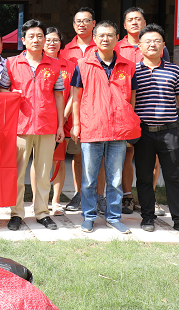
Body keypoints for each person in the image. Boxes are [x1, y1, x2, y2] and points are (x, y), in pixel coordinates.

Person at [132, 24, 179, 238]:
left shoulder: (174, 70)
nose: (152, 44)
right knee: (144, 177)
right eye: (147, 41)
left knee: (173, 177)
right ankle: (147, 216)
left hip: (169, 131)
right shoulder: (133, 71)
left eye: (156, 41)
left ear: (163, 45)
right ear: (139, 46)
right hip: (143, 132)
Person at [71, 20, 140, 234]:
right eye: (101, 35)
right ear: (94, 38)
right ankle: (89, 216)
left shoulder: (128, 65)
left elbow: (132, 97)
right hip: (92, 127)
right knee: (89, 179)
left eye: (110, 35)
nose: (105, 39)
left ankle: (113, 217)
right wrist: (76, 124)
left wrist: (127, 119)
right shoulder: (83, 64)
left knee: (115, 179)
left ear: (117, 38)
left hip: (119, 129)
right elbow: (76, 98)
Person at [0, 20, 65, 231]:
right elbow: (1, 91)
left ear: (45, 39)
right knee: (17, 173)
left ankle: (42, 213)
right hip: (20, 125)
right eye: (31, 36)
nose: (36, 40)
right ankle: (16, 213)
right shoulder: (11, 63)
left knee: (43, 173)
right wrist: (11, 94)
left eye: (39, 36)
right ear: (23, 40)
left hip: (47, 125)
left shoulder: (54, 65)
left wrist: (60, 126)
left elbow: (58, 95)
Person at [114, 7, 170, 215]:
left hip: (152, 109)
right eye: (130, 19)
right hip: (127, 109)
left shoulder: (158, 46)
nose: (134, 22)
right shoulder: (117, 47)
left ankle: (149, 199)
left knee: (153, 157)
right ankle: (127, 197)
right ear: (124, 25)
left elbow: (166, 74)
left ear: (145, 23)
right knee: (127, 153)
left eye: (138, 19)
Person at [28, 27, 77, 216]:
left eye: (55, 40)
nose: (51, 43)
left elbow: (73, 94)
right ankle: (36, 200)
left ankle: (55, 201)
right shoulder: (35, 64)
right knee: (37, 161)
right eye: (48, 40)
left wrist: (63, 115)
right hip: (41, 120)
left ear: (61, 43)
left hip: (62, 120)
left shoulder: (69, 65)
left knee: (58, 160)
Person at [60, 7, 97, 213]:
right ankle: (78, 194)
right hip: (73, 110)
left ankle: (99, 196)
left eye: (86, 20)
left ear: (94, 23)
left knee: (98, 156)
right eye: (77, 21)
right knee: (77, 155)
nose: (81, 24)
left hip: (96, 109)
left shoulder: (101, 46)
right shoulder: (66, 50)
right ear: (73, 25)